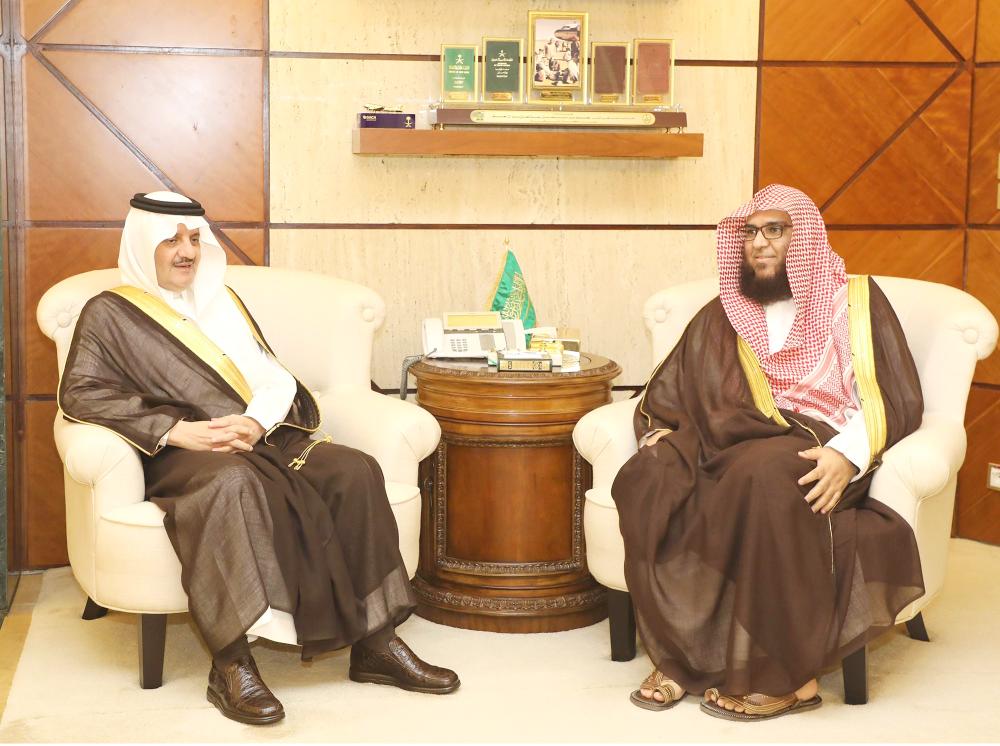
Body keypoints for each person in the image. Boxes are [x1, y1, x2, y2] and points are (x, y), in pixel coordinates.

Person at [59, 191, 459, 725]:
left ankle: (376, 643)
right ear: (141, 244)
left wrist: (255, 421)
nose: (187, 252)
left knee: (355, 469)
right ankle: (231, 664)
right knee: (231, 483)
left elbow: (273, 377)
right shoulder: (109, 313)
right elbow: (83, 393)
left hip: (262, 437)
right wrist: (178, 431)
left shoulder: (221, 299)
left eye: (194, 239)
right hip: (182, 453)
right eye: (171, 241)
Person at [613, 184, 925, 721]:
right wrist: (665, 430)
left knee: (757, 473)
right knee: (652, 473)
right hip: (732, 438)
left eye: (775, 230)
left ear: (803, 237)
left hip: (817, 440)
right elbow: (676, 389)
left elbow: (893, 396)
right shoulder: (725, 312)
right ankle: (685, 656)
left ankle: (787, 679)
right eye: (750, 232)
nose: (758, 243)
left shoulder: (852, 302)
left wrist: (848, 456)